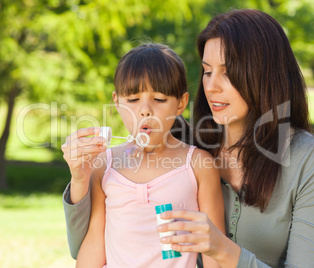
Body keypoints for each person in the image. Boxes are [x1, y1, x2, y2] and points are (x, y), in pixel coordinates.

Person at [63, 9, 314, 268]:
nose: (211, 86)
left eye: (227, 73)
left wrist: (222, 248)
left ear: (265, 76)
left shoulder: (309, 159)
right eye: (207, 71)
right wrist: (80, 181)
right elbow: (93, 245)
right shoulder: (187, 144)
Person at [62, 43, 224, 267]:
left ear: (181, 103)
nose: (145, 110)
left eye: (159, 99)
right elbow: (95, 242)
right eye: (132, 99)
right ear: (116, 101)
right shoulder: (104, 164)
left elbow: (213, 252)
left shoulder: (198, 165)